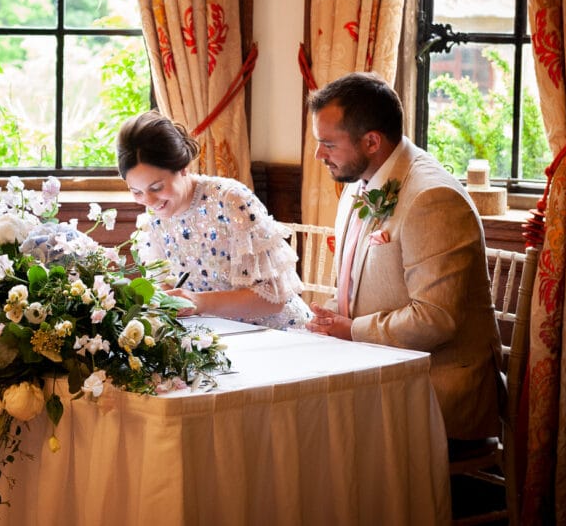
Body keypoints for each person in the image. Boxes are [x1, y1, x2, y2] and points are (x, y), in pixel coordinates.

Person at [305, 72, 502, 441]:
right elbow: (361, 285)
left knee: (314, 429)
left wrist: (351, 330)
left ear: (372, 141)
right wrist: (330, 316)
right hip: (375, 368)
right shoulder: (358, 183)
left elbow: (435, 319)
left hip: (436, 387)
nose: (319, 155)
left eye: (328, 144)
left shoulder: (432, 198)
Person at [117, 110, 312, 329]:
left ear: (183, 168)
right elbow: (165, 289)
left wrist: (199, 302)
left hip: (279, 333)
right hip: (217, 337)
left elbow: (276, 298)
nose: (149, 201)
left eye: (156, 187)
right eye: (137, 192)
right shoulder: (153, 222)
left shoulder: (231, 200)